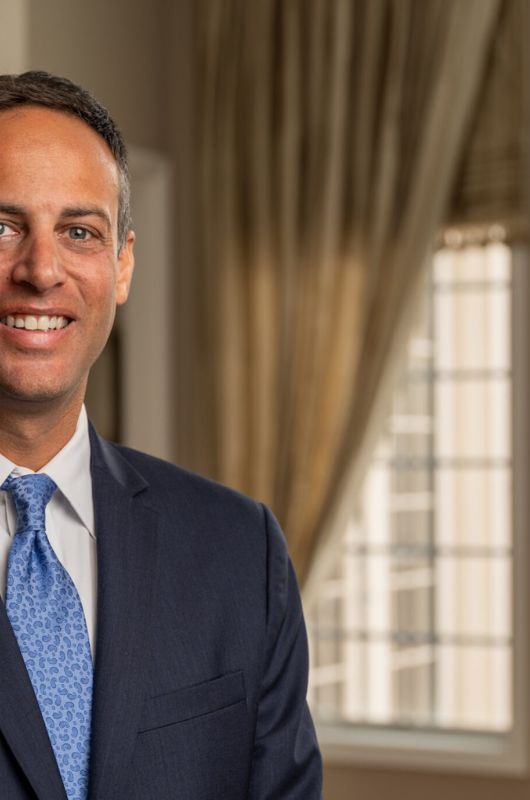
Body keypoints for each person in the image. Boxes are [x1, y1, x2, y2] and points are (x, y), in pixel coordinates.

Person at [0, 71, 322, 799]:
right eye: (2, 227)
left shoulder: (238, 550)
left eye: (79, 232)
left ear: (122, 266)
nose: (41, 270)